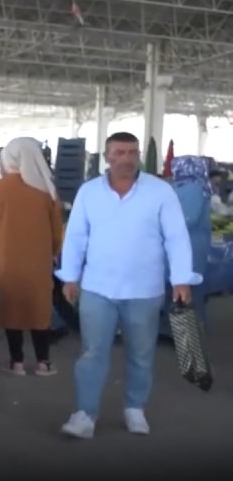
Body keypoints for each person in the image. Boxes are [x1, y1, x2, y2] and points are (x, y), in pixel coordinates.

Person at [57, 132, 198, 439]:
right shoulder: (89, 192)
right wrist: (70, 275)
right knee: (93, 352)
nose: (127, 159)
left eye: (132, 152)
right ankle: (84, 413)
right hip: (97, 287)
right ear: (107, 157)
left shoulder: (160, 192)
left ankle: (135, 409)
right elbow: (76, 236)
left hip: (144, 289)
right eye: (119, 152)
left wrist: (181, 278)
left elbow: (176, 237)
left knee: (141, 352)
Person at [0, 137, 64, 376]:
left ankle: (18, 363)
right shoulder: (47, 192)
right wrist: (53, 253)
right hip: (38, 263)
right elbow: (58, 232)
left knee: (11, 308)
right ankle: (44, 362)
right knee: (39, 308)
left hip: (4, 262)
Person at [171, 155, 212, 324]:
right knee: (188, 293)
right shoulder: (193, 186)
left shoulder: (192, 188)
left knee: (188, 294)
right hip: (190, 247)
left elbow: (189, 218)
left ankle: (190, 337)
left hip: (190, 249)